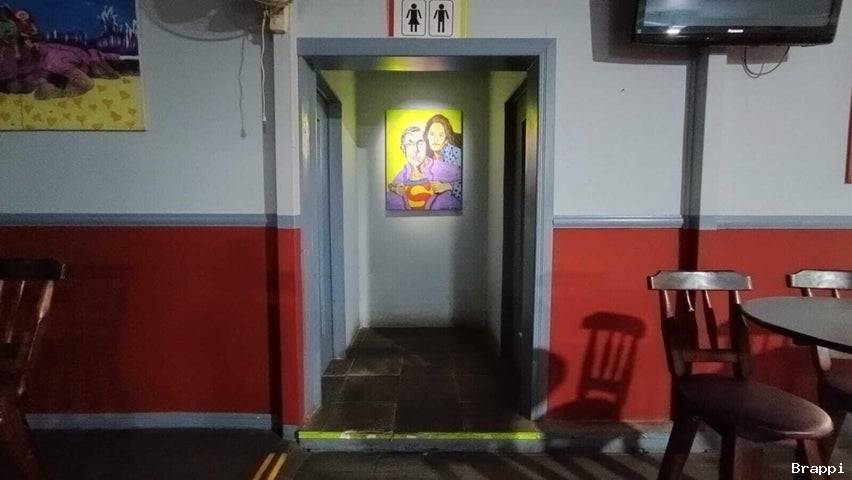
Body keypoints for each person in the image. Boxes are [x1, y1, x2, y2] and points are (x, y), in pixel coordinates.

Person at [387, 126, 461, 211]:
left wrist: (448, 186)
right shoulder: (405, 172)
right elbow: (391, 185)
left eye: (420, 143)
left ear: (426, 146)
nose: (415, 150)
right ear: (403, 149)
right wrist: (395, 189)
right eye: (409, 144)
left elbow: (466, 181)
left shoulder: (441, 167)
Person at [424, 114, 462, 201]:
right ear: (427, 136)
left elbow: (467, 182)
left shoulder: (455, 153)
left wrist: (447, 186)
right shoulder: (426, 156)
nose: (435, 139)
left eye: (440, 135)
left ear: (446, 140)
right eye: (432, 134)